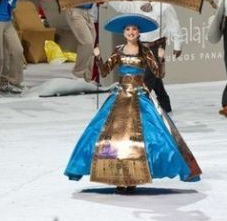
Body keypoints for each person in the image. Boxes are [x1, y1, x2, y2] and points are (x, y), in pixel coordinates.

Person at [64, 14, 201, 193]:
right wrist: (98, 57)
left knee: (147, 137)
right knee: (112, 137)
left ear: (139, 32)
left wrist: (160, 58)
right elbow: (104, 71)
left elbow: (159, 74)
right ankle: (119, 176)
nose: (131, 32)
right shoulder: (119, 50)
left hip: (139, 96)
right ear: (123, 32)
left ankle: (134, 176)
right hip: (120, 96)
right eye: (128, 29)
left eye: (134, 29)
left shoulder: (146, 51)